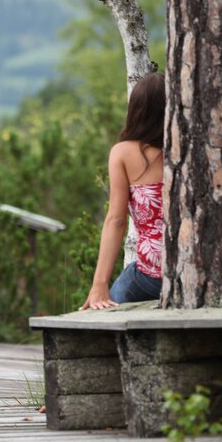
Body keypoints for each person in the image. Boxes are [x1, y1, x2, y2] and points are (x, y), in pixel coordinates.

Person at [80, 73, 165, 310]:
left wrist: (99, 284)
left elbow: (117, 220)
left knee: (102, 316)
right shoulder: (192, 148)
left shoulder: (123, 153)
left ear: (136, 111)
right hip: (195, 273)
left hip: (152, 278)